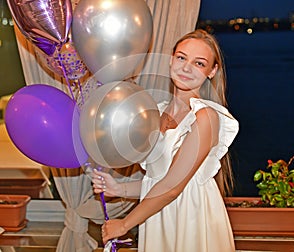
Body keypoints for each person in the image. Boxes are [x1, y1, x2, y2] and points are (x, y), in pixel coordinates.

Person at [92, 29, 239, 252]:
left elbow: (172, 186)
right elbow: (156, 179)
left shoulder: (206, 116)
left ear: (212, 71)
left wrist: (124, 224)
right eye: (181, 57)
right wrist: (119, 189)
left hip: (191, 218)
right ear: (171, 59)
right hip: (158, 214)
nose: (186, 68)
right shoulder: (156, 114)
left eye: (199, 63)